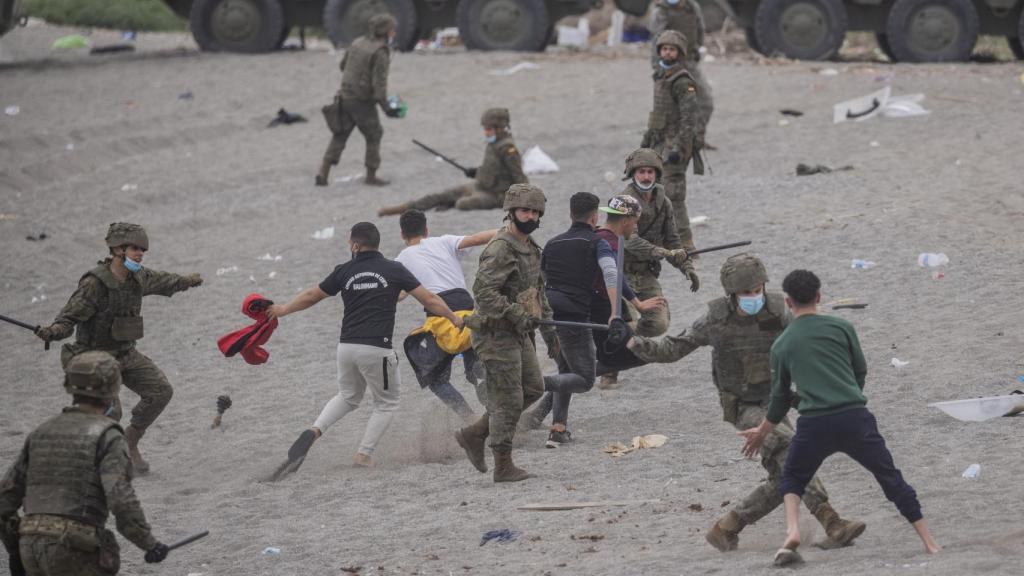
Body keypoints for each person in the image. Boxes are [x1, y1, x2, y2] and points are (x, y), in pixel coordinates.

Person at [627, 255, 865, 552]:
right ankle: (832, 522)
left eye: (757, 290)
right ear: (731, 294)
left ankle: (727, 526)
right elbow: (674, 348)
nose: (753, 297)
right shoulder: (715, 320)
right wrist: (634, 343)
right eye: (746, 293)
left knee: (785, 475)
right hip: (742, 406)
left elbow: (806, 338)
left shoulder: (779, 310)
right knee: (793, 452)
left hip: (777, 401)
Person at [739, 269, 941, 566]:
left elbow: (780, 398)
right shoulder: (842, 327)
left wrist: (762, 430)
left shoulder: (781, 345)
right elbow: (860, 370)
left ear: (787, 302)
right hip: (854, 417)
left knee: (793, 478)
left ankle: (792, 531)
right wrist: (848, 396)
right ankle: (929, 542)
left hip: (814, 424)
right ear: (818, 297)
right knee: (890, 477)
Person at [267, 222, 464, 469]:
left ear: (356, 245)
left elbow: (311, 296)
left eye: (350, 243)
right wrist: (453, 317)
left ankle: (314, 430)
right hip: (376, 349)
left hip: (346, 348)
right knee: (387, 402)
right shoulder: (394, 269)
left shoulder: (344, 271)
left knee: (348, 396)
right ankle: (363, 455)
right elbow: (430, 299)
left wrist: (283, 309)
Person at [34, 222, 203, 474]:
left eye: (142, 249)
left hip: (126, 354)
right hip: (95, 359)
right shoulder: (95, 284)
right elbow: (68, 320)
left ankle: (130, 442)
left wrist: (187, 281)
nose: (140, 254)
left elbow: (166, 281)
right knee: (112, 411)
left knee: (160, 391)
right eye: (135, 248)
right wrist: (52, 332)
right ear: (117, 249)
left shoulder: (138, 278)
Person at [0, 352, 169, 575]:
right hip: (75, 548)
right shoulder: (108, 436)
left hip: (30, 545)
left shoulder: (42, 432)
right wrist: (149, 543)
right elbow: (120, 499)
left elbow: (5, 499)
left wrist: (16, 547)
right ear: (113, 387)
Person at [527, 194, 665, 438]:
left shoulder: (552, 243)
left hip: (553, 314)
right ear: (596, 217)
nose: (636, 226)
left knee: (570, 369)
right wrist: (619, 311)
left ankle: (555, 425)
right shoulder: (601, 242)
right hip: (590, 312)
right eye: (635, 220)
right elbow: (612, 276)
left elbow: (540, 280)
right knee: (587, 376)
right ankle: (530, 384)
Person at [454, 183, 558, 482]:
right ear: (511, 212)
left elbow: (538, 293)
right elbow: (484, 293)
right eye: (525, 210)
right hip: (494, 333)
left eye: (536, 212)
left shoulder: (530, 248)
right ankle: (502, 465)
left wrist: (551, 336)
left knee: (534, 388)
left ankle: (475, 433)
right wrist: (516, 314)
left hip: (518, 332)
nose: (531, 216)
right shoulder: (501, 248)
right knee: (509, 399)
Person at [600, 148, 698, 390]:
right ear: (633, 174)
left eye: (650, 171)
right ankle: (608, 370)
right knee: (622, 317)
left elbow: (673, 240)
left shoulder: (664, 202)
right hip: (619, 272)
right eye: (641, 171)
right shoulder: (623, 201)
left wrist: (686, 267)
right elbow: (631, 241)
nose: (646, 176)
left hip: (645, 273)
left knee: (658, 323)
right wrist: (664, 253)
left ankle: (618, 336)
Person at [395, 209, 497, 422]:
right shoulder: (444, 242)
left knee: (435, 378)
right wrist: (509, 231)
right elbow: (478, 238)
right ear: (426, 229)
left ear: (402, 235)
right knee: (479, 368)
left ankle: (470, 419)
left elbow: (398, 296)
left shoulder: (401, 261)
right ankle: (497, 413)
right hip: (468, 312)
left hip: (439, 317)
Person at [377, 108, 528, 215]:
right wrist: (476, 172)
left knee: (463, 204)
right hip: (480, 185)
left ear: (500, 128)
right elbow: (493, 170)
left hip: (496, 195)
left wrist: (526, 199)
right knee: (441, 195)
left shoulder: (508, 149)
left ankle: (450, 204)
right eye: (485, 129)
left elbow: (519, 177)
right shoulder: (493, 143)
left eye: (489, 129)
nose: (486, 132)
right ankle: (405, 207)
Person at [316, 14, 400, 187]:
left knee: (340, 135)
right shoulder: (380, 51)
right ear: (385, 31)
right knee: (374, 134)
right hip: (362, 101)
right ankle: (371, 176)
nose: (394, 33)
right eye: (392, 29)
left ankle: (322, 173)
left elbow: (342, 66)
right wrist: (387, 108)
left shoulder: (357, 42)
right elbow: (379, 85)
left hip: (345, 96)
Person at [642, 30, 704, 249]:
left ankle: (687, 246)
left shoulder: (682, 81)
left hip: (676, 145)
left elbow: (690, 118)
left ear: (679, 53)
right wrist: (647, 139)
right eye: (664, 49)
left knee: (674, 196)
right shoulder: (661, 76)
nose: (667, 53)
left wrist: (679, 147)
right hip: (660, 142)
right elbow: (657, 113)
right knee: (654, 191)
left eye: (672, 49)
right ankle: (663, 240)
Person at [649, 0, 714, 130]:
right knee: (670, 108)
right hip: (670, 66)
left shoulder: (692, 7)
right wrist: (659, 69)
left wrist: (697, 50)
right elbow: (656, 42)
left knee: (705, 102)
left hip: (689, 63)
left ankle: (695, 138)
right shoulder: (661, 11)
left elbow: (700, 30)